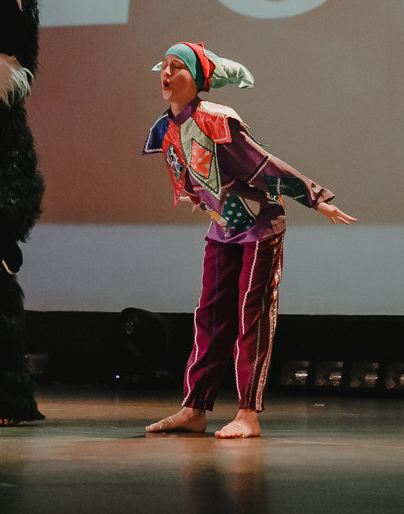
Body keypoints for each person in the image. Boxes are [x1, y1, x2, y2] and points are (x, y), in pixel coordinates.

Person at [142, 41, 355, 438]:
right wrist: (199, 196)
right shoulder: (166, 127)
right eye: (164, 66)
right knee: (209, 314)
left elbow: (262, 165)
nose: (167, 74)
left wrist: (314, 197)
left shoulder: (217, 120)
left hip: (259, 226)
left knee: (250, 315)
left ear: (198, 79)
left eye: (177, 67)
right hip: (222, 226)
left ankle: (248, 414)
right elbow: (195, 171)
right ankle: (194, 408)